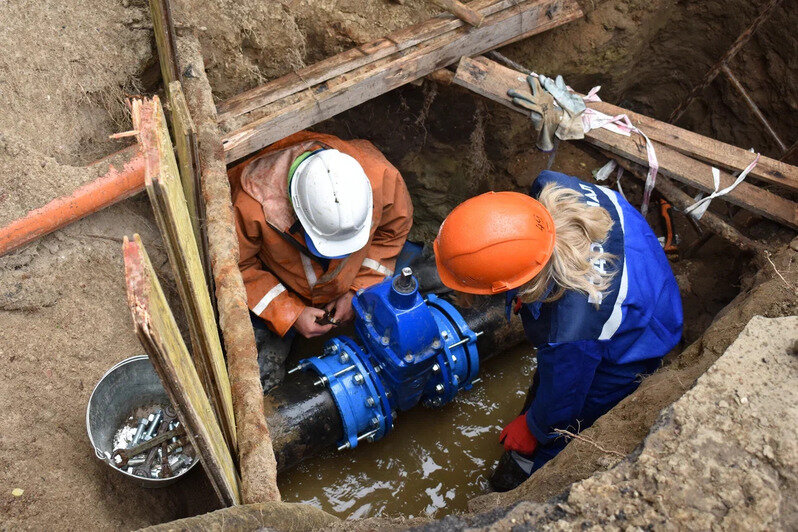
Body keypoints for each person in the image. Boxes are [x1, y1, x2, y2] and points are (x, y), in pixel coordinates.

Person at [433, 170, 683, 491]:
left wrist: (535, 429)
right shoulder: (550, 184)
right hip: (639, 259)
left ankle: (520, 486)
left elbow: (564, 401)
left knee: (567, 425)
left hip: (641, 335)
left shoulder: (569, 328)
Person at [230, 131, 413, 390]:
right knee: (256, 378)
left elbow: (393, 230)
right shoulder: (250, 207)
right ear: (296, 211)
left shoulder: (380, 177)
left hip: (352, 278)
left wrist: (357, 288)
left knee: (416, 278)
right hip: (285, 289)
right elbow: (237, 268)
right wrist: (290, 314)